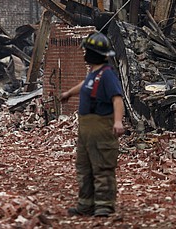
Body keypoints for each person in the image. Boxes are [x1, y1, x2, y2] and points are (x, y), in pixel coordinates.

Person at [60, 32, 125, 218]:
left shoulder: (107, 75)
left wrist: (118, 121)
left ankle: (104, 206)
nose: (84, 54)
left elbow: (117, 99)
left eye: (87, 51)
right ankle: (86, 205)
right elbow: (84, 84)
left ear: (93, 53)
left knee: (102, 166)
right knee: (84, 166)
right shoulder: (94, 73)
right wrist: (69, 93)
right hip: (86, 129)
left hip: (100, 127)